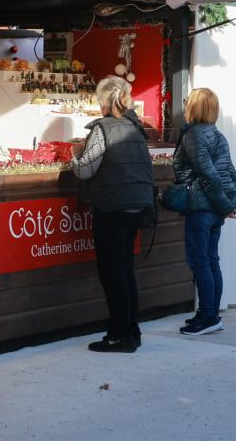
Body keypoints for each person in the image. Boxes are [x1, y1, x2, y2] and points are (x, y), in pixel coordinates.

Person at [70, 76, 154, 353]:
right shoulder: (135, 127)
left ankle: (120, 335)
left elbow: (85, 169)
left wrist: (73, 156)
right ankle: (131, 330)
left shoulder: (102, 129)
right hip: (137, 207)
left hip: (111, 207)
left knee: (113, 273)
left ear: (103, 102)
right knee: (126, 271)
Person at [173, 88, 236, 336]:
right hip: (214, 210)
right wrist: (228, 204)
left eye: (187, 101)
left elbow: (208, 174)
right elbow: (230, 173)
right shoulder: (217, 135)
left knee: (200, 261)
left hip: (202, 207)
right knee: (211, 261)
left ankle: (209, 316)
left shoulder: (194, 136)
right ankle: (208, 312)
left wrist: (225, 204)